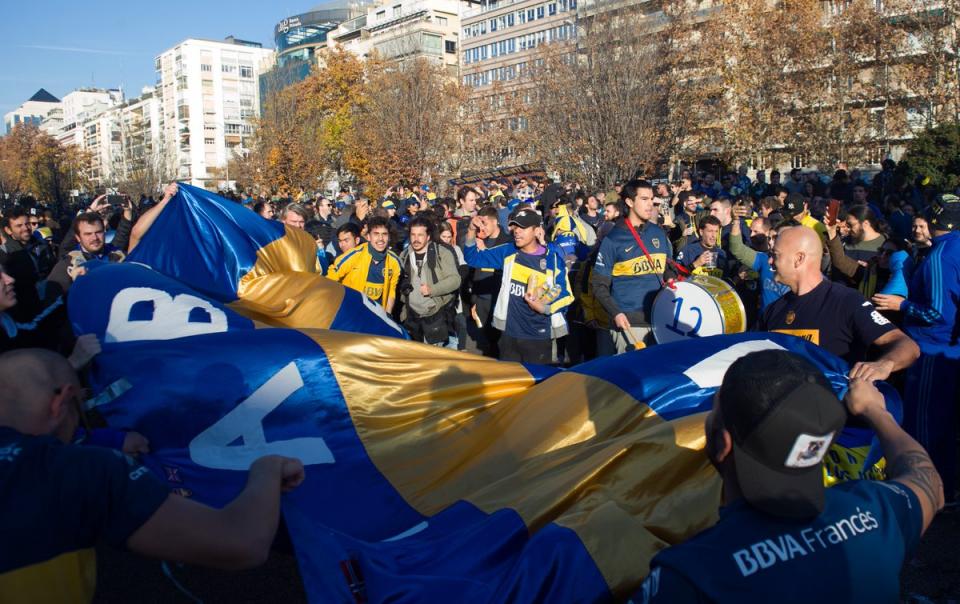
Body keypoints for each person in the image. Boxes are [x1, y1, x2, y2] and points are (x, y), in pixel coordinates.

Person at [634, 349, 943, 603]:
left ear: (721, 442)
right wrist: (877, 411)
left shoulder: (690, 576)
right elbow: (927, 481)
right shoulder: (875, 511)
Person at [0, 349, 306, 602]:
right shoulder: (80, 470)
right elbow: (242, 541)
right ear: (61, 402)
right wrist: (266, 468)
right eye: (80, 414)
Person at [872, 194, 960, 504]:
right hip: (951, 351)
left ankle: (929, 491)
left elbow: (937, 313)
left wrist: (902, 304)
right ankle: (948, 486)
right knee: (948, 425)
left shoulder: (941, 255)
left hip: (932, 352)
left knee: (926, 424)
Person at [758, 226, 919, 378]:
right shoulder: (774, 310)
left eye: (775, 255)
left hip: (829, 403)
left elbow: (907, 346)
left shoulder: (847, 301)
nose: (770, 262)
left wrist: (884, 365)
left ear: (799, 259)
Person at [462, 208, 573, 364]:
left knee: (538, 386)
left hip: (539, 336)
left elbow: (567, 295)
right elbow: (473, 258)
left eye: (523, 228)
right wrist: (471, 230)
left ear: (537, 231)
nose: (516, 232)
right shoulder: (508, 251)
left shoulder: (552, 259)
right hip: (509, 335)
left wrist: (544, 308)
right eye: (515, 227)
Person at [590, 180, 672, 353]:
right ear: (629, 202)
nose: (650, 204)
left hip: (661, 320)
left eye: (651, 199)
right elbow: (598, 285)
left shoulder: (658, 232)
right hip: (630, 324)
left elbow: (666, 269)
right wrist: (616, 313)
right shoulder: (613, 238)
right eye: (644, 199)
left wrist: (671, 278)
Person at [397, 217, 461, 345]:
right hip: (412, 319)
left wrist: (432, 289)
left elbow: (455, 280)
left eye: (420, 235)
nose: (416, 239)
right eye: (413, 235)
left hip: (436, 317)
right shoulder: (403, 256)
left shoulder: (442, 253)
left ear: (428, 237)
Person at [327, 216, 400, 313]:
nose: (380, 238)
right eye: (376, 234)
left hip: (377, 316)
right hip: (352, 314)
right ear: (368, 237)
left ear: (389, 237)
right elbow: (330, 279)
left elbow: (391, 290)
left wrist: (388, 315)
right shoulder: (353, 256)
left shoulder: (394, 261)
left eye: (384, 234)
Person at [47, 213, 127, 296]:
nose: (95, 238)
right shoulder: (67, 265)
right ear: (78, 238)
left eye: (98, 232)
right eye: (88, 234)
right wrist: (76, 286)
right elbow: (55, 303)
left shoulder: (120, 256)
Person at [468, 206, 512, 357]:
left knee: (502, 343)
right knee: (486, 341)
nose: (482, 228)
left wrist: (486, 250)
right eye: (480, 224)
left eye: (485, 223)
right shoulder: (478, 240)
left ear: (496, 222)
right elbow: (472, 269)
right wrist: (474, 298)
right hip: (482, 299)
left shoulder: (508, 243)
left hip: (500, 298)